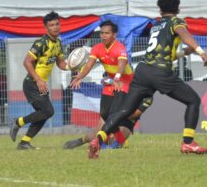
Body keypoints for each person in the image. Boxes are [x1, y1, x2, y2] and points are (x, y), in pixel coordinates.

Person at [88, 0, 207, 159]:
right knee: (193, 100)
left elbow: (165, 54)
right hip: (160, 72)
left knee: (125, 110)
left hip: (143, 71)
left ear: (160, 10)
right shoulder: (176, 22)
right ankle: (188, 142)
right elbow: (185, 34)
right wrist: (201, 52)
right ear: (178, 8)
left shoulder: (156, 26)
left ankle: (98, 140)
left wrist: (185, 53)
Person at [64, 21, 153, 150]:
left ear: (114, 35)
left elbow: (122, 64)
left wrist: (116, 78)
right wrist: (80, 76)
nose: (103, 36)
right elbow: (89, 64)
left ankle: (105, 143)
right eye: (101, 33)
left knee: (112, 115)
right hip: (111, 83)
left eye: (107, 33)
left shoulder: (120, 48)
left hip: (124, 84)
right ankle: (117, 141)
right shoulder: (97, 48)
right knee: (105, 114)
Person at [9, 11, 69, 149]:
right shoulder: (41, 43)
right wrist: (39, 80)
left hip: (39, 84)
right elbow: (27, 62)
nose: (55, 27)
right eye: (51, 25)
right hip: (32, 83)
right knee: (48, 111)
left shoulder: (58, 43)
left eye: (57, 24)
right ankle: (17, 122)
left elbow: (61, 63)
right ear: (46, 28)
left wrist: (74, 67)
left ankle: (24, 143)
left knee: (44, 113)